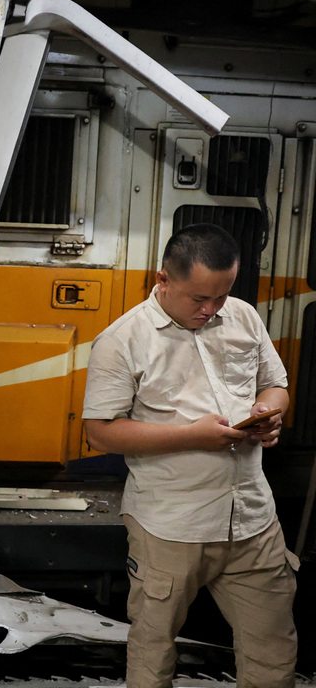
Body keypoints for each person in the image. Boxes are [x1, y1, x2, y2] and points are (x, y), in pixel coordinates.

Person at [83, 223, 298, 688]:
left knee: (273, 652)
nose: (211, 309)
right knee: (153, 652)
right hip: (170, 526)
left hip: (252, 520)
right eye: (199, 298)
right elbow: (99, 432)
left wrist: (269, 412)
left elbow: (275, 384)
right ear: (163, 279)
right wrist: (191, 437)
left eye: (221, 296)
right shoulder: (122, 341)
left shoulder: (243, 317)